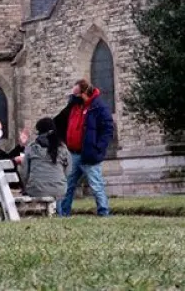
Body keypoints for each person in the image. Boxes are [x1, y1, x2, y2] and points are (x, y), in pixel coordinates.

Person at [59, 80, 114, 217]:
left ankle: (103, 212)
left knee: (96, 185)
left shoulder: (98, 107)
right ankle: (63, 213)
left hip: (89, 154)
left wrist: (98, 148)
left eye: (76, 94)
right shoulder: (74, 106)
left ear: (84, 93)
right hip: (73, 153)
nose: (73, 96)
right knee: (68, 185)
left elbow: (107, 129)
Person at [20, 117, 70, 200]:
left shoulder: (31, 147)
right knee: (57, 196)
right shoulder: (63, 148)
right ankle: (58, 212)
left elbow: (24, 173)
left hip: (35, 190)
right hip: (59, 189)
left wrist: (26, 187)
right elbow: (68, 171)